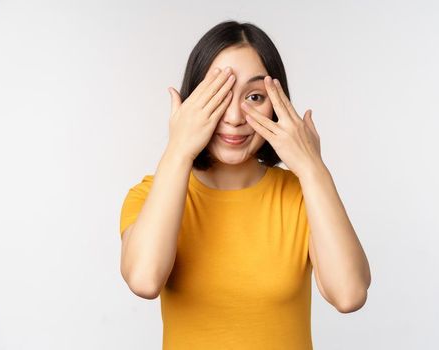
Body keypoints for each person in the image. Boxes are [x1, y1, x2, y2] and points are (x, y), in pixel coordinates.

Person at [118, 20, 371, 349]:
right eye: (218, 94)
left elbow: (349, 294)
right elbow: (144, 279)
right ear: (193, 98)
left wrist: (312, 167)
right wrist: (178, 149)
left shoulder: (300, 196)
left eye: (254, 96)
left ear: (278, 104)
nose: (235, 117)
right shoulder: (151, 195)